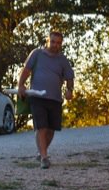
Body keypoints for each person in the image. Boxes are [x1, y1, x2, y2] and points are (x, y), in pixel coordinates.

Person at [17, 30, 74, 169]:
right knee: (41, 127)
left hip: (55, 99)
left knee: (51, 129)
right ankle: (44, 157)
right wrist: (21, 85)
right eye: (53, 42)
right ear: (47, 41)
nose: (55, 45)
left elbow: (69, 77)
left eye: (58, 43)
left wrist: (69, 90)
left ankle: (41, 152)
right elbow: (26, 70)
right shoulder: (37, 54)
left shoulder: (62, 60)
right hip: (37, 97)